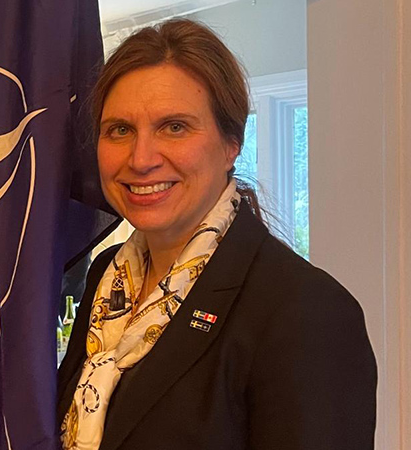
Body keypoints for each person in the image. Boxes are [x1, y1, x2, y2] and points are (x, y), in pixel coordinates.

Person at [57, 19, 376, 450]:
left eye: (174, 127)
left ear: (231, 144)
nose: (141, 158)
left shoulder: (305, 310)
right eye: (120, 130)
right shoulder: (104, 281)